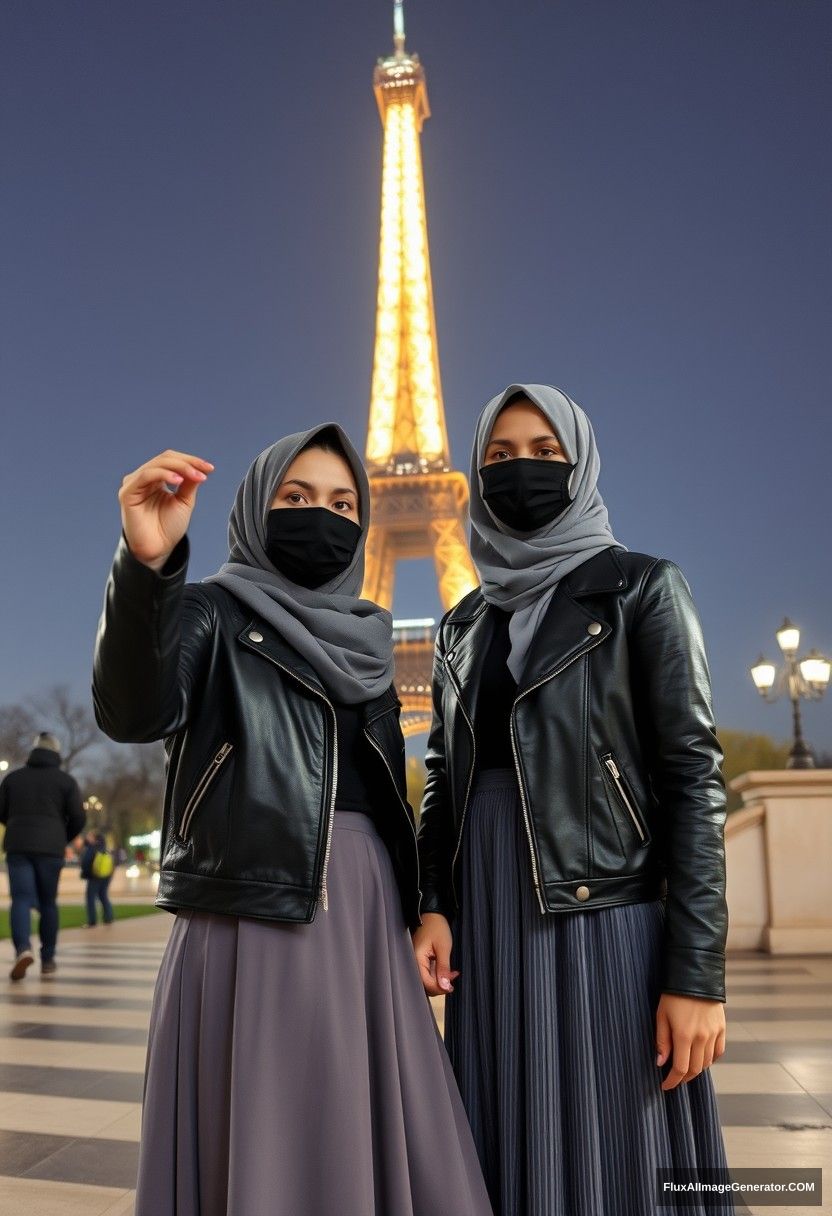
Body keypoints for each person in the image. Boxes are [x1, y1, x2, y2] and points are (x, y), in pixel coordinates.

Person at [92, 429, 492, 1216]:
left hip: (367, 907)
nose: (325, 517)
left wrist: (423, 907)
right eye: (297, 499)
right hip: (250, 902)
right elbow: (132, 711)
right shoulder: (207, 610)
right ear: (255, 508)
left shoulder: (369, 640)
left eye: (344, 503)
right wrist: (146, 568)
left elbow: (393, 797)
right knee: (266, 1125)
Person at [413, 384, 734, 1216]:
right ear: (476, 477)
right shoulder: (462, 624)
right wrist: (435, 904)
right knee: (502, 1144)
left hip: (603, 916)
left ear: (582, 462)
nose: (523, 470)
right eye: (500, 456)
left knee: (617, 1150)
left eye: (545, 453)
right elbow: (444, 777)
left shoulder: (644, 589)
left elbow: (695, 780)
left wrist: (696, 974)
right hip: (487, 919)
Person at [0, 732, 86, 980]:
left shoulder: (13, 778)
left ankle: (22, 949)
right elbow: (79, 817)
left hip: (18, 846)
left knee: (21, 900)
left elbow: (1, 810)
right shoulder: (66, 781)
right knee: (48, 903)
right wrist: (61, 835)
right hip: (51, 849)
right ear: (56, 753)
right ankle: (48, 959)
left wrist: (17, 824)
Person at [79, 830, 115, 926]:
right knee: (103, 895)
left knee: (90, 898)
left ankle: (92, 920)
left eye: (89, 836)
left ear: (94, 838)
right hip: (105, 876)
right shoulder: (104, 847)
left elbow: (85, 863)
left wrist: (84, 874)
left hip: (94, 876)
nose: (87, 837)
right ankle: (108, 917)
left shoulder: (91, 848)